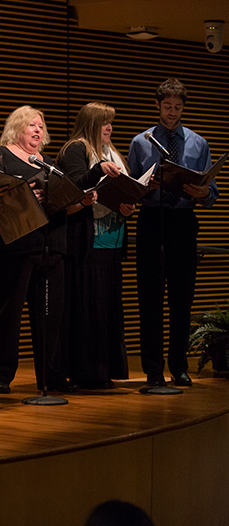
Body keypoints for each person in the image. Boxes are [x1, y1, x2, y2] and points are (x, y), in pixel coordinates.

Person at [0, 105, 76, 394]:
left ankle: (50, 375)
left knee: (50, 315)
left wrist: (76, 200)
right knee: (9, 311)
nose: (38, 130)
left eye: (41, 126)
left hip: (50, 246)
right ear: (17, 127)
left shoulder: (47, 162)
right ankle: (0, 374)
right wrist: (22, 195)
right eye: (32, 125)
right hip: (15, 248)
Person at [128, 78, 218, 388]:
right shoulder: (142, 142)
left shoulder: (197, 142)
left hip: (183, 221)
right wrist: (144, 187)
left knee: (182, 299)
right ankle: (153, 370)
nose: (172, 113)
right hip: (152, 220)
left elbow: (212, 191)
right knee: (149, 299)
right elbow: (130, 189)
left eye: (178, 108)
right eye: (167, 107)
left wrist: (202, 190)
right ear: (157, 105)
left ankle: (179, 367)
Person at [57, 103, 133, 389]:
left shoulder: (112, 151)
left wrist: (128, 206)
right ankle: (87, 371)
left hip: (112, 238)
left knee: (107, 308)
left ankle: (105, 369)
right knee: (88, 306)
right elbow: (74, 184)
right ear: (90, 123)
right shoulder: (76, 149)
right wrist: (98, 170)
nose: (109, 128)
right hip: (86, 239)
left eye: (111, 123)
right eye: (104, 123)